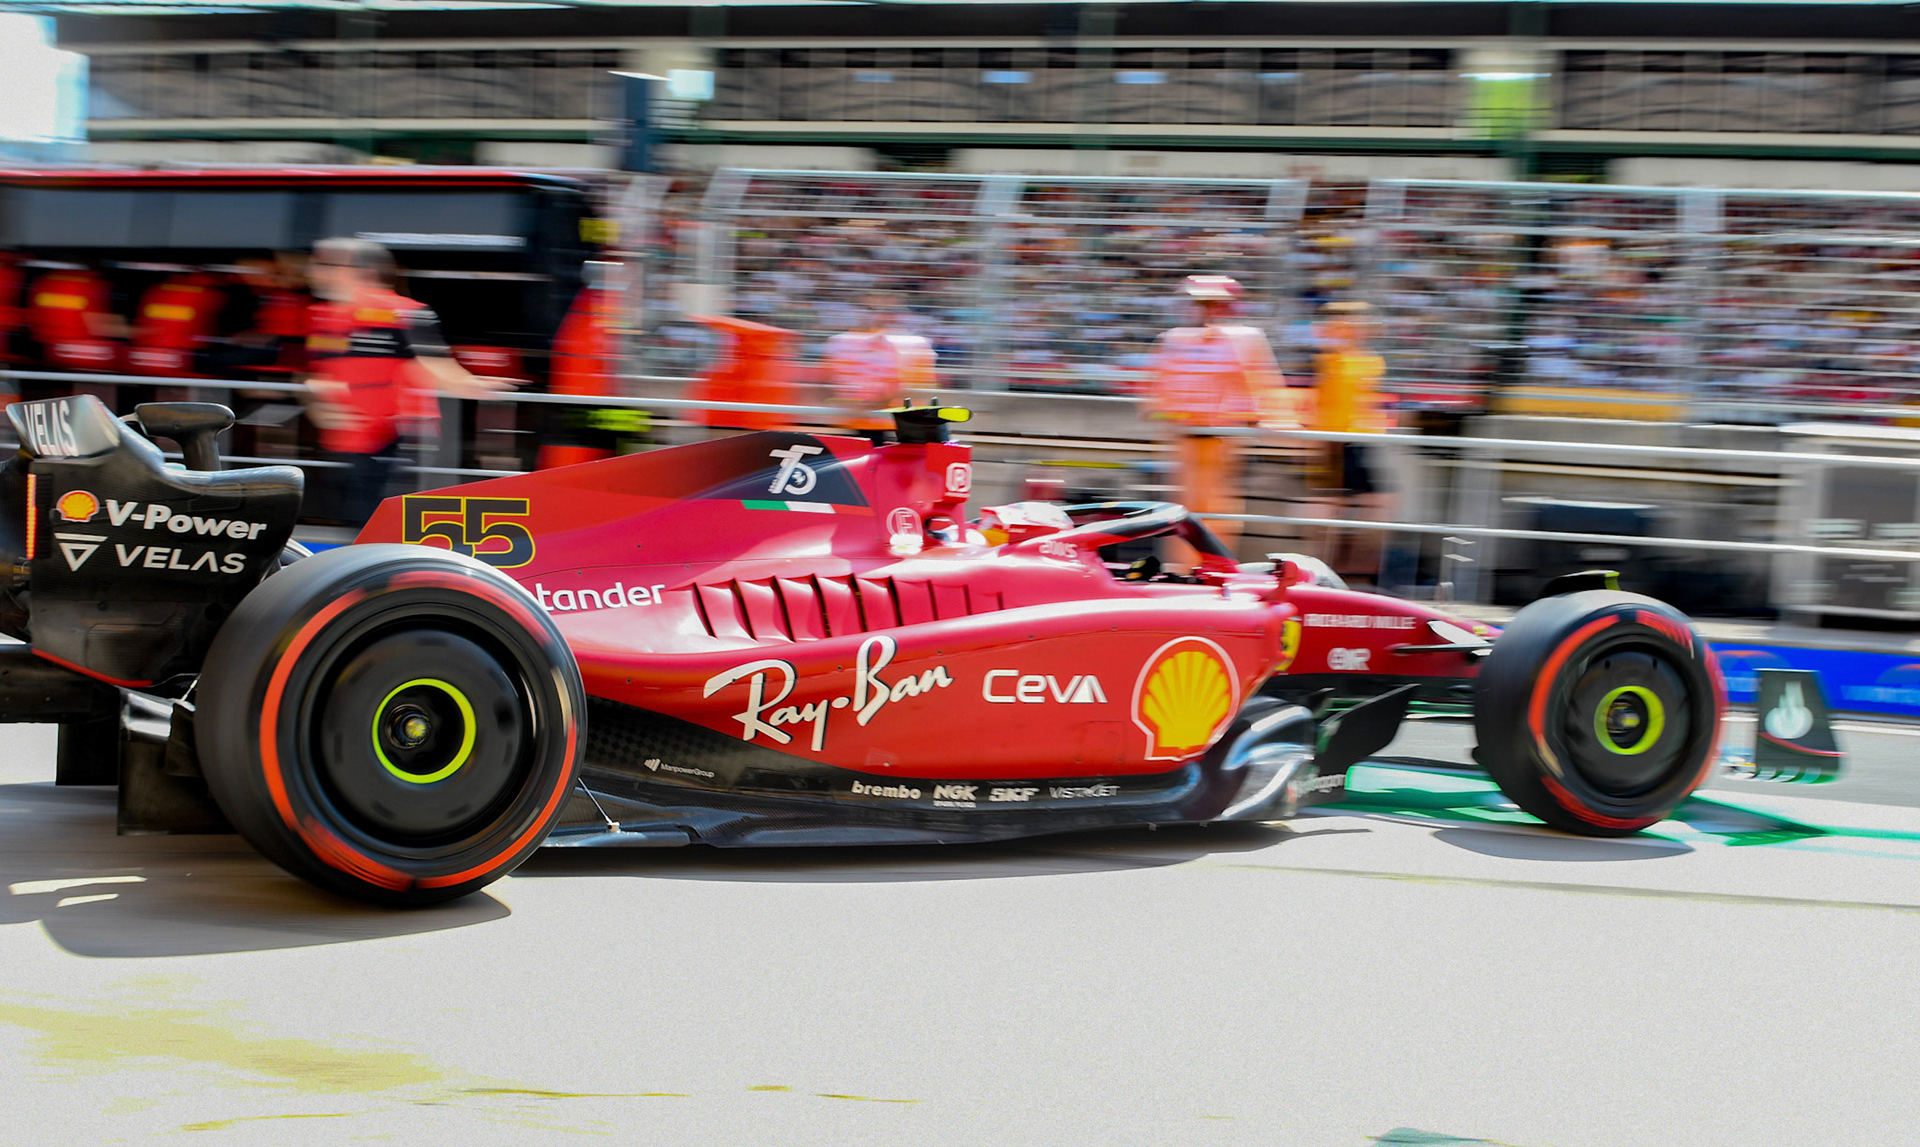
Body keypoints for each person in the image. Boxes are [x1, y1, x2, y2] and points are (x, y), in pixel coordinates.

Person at [302, 237, 507, 524]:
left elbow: (436, 363)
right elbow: (317, 373)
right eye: (316, 264)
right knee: (357, 520)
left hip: (400, 437)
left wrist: (476, 385)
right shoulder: (321, 316)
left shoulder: (405, 312)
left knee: (391, 521)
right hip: (347, 441)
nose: (315, 271)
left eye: (327, 265)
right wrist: (318, 403)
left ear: (364, 271)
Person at [1148, 274, 1290, 561]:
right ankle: (1179, 572)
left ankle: (1217, 570)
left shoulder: (1245, 339)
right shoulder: (1175, 339)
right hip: (1188, 437)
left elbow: (1264, 385)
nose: (1206, 308)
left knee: (1218, 509)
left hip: (1222, 438)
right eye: (1202, 301)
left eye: (1212, 302)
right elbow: (1158, 390)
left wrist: (1268, 416)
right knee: (1185, 509)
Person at [1310, 300, 1393, 578]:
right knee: (1334, 509)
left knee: (1374, 504)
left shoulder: (1369, 361)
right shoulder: (1331, 358)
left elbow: (1367, 401)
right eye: (1347, 322)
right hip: (1336, 441)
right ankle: (1333, 569)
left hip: (1359, 442)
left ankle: (1353, 570)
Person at [821, 297, 935, 442]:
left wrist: (872, 401)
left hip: (885, 414)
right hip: (861, 415)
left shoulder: (897, 345)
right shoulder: (847, 343)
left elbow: (898, 381)